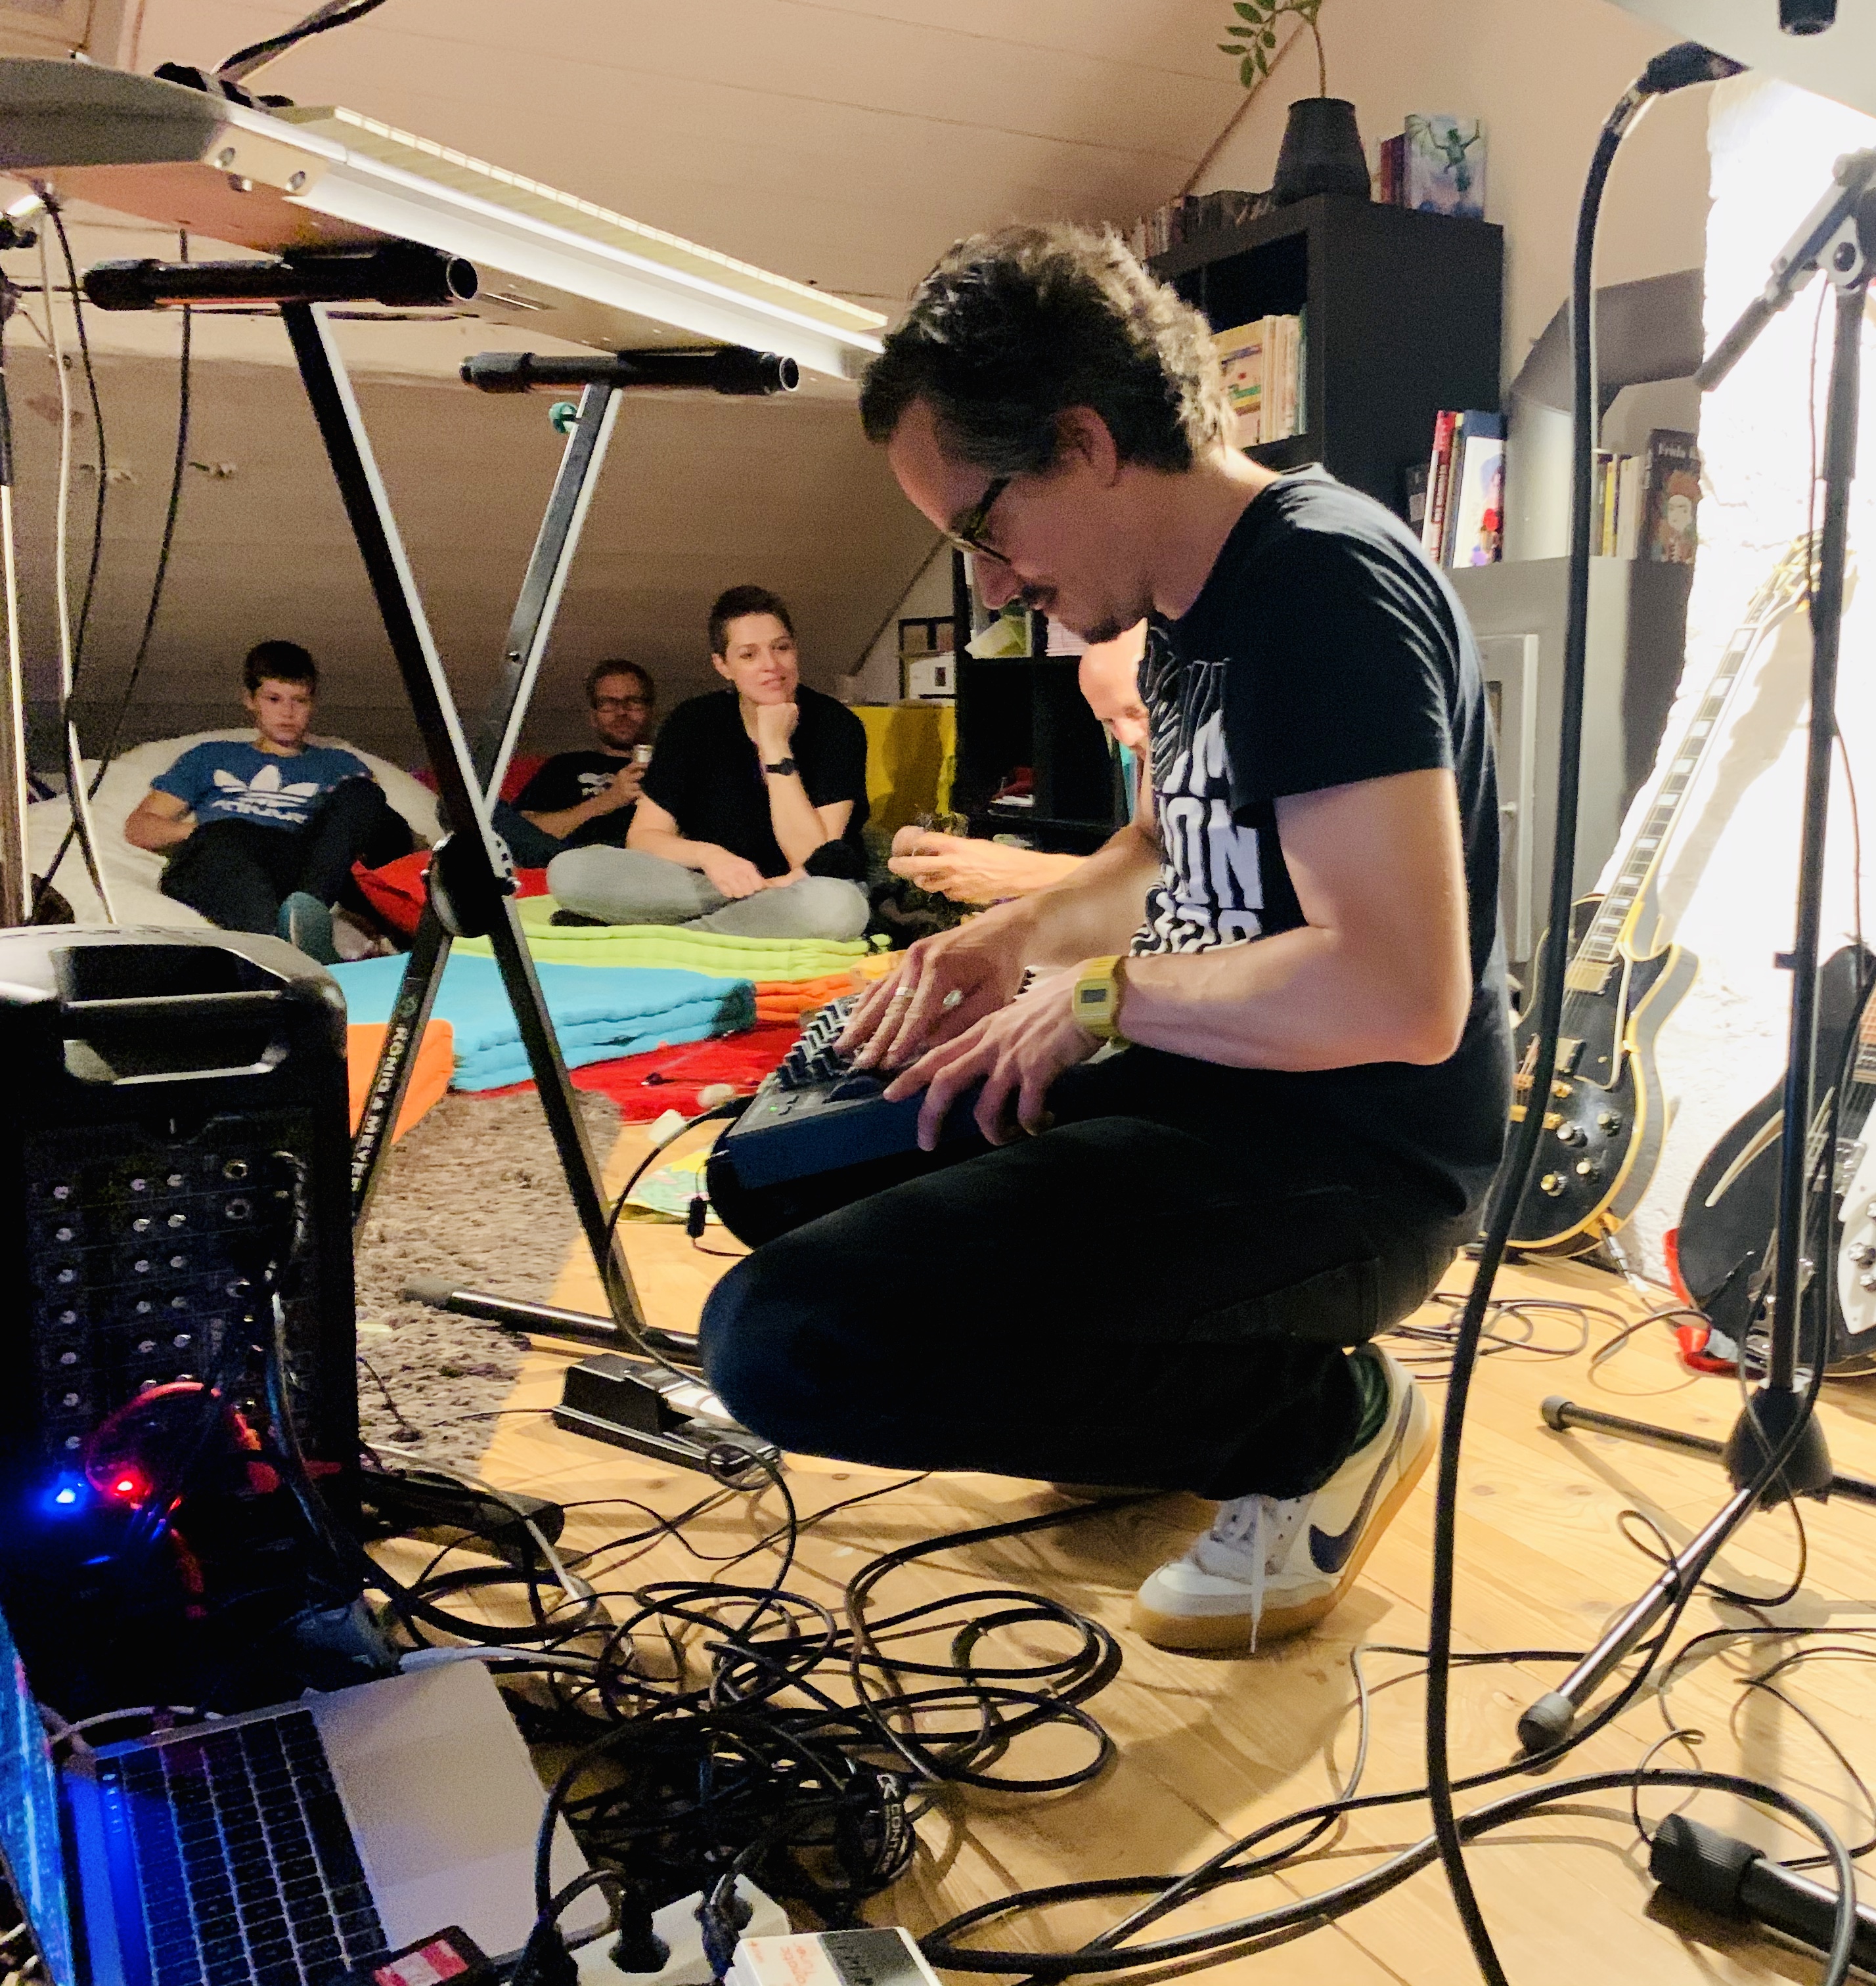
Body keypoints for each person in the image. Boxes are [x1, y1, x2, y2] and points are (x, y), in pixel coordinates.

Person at [700, 224, 1509, 1655]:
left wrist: (1092, 1001)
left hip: (1352, 1158)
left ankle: (1320, 1420)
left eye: (981, 530)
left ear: (1082, 442)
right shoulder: (1195, 599)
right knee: (779, 1173)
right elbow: (1158, 846)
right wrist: (1008, 936)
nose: (990, 584)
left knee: (784, 1340)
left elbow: (1398, 990)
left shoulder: (1322, 590)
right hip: (1204, 1088)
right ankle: (1155, 1406)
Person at [545, 588, 870, 940]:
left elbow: (814, 859)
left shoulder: (836, 726)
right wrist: (710, 856)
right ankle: (729, 922)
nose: (771, 665)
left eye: (781, 648)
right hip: (712, 885)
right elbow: (644, 836)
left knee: (839, 909)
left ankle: (673, 936)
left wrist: (776, 747)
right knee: (570, 871)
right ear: (723, 665)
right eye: (749, 655)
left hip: (801, 888)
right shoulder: (693, 721)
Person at [125, 640, 417, 962]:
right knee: (222, 844)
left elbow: (374, 829)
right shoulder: (210, 756)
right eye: (274, 699)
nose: (287, 713)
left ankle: (306, 917)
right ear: (250, 700)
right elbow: (141, 827)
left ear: (312, 703)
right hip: (225, 855)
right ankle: (283, 948)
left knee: (362, 793)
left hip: (302, 862)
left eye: (299, 701)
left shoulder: (340, 764)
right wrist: (207, 831)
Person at [883, 622, 1151, 904]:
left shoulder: (1175, 754)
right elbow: (1141, 851)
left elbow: (1170, 881)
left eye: (1137, 713)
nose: (1127, 737)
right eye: (1108, 721)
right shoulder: (1146, 756)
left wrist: (1019, 872)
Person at [491, 659, 656, 867]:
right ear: (593, 717)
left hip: (647, 864)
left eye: (633, 702)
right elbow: (524, 833)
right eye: (608, 704)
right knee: (486, 808)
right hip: (572, 863)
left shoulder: (675, 766)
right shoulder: (566, 766)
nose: (621, 712)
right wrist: (610, 800)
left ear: (650, 710)